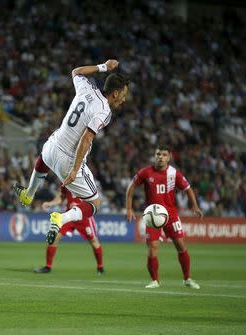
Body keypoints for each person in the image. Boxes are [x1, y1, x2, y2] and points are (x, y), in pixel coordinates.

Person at [14, 59, 129, 244]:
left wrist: (103, 67)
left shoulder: (87, 89)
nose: (124, 99)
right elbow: (86, 138)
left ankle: (29, 194)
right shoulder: (104, 111)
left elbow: (76, 71)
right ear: (115, 93)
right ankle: (61, 218)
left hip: (52, 145)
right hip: (68, 159)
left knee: (44, 160)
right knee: (95, 204)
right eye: (123, 95)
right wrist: (75, 169)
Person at [125, 145, 203, 289]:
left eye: (164, 154)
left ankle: (187, 279)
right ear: (155, 156)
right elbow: (131, 188)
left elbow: (188, 189)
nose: (161, 157)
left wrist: (195, 206)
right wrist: (129, 209)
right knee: (153, 247)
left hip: (171, 215)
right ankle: (155, 280)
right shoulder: (145, 172)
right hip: (153, 217)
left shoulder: (174, 173)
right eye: (158, 154)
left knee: (181, 245)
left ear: (169, 157)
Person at [34, 186, 104, 275]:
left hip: (84, 215)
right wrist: (51, 203)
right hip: (69, 215)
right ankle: (48, 267)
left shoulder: (82, 179)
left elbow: (94, 198)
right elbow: (62, 197)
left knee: (93, 241)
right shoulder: (64, 180)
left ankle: (100, 268)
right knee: (54, 238)